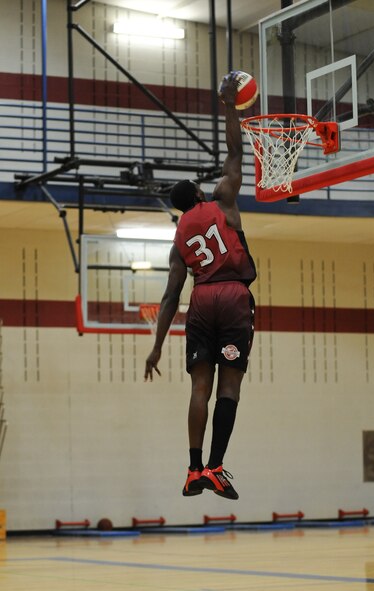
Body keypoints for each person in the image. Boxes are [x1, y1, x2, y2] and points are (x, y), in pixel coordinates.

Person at [144, 71, 257, 501]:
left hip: (200, 301)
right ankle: (216, 466)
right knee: (230, 386)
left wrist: (156, 346)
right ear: (198, 191)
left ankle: (192, 470)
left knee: (199, 389)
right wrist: (229, 105)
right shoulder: (223, 199)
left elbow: (170, 296)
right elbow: (233, 150)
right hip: (231, 295)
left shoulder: (178, 242)